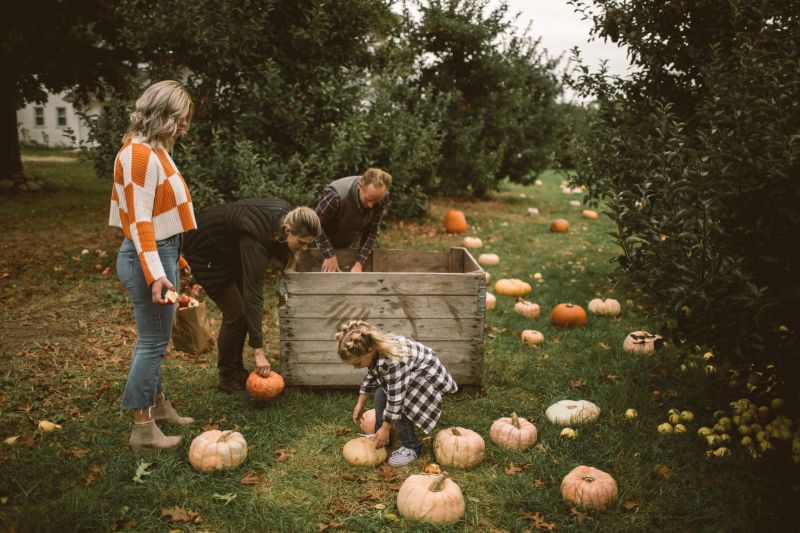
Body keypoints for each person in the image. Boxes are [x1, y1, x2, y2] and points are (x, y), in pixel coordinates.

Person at [110, 80, 197, 454]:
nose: (184, 126)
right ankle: (143, 430)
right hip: (147, 257)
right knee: (151, 343)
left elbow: (157, 214)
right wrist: (156, 274)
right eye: (179, 118)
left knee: (157, 341)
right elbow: (140, 222)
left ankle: (158, 406)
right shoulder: (138, 156)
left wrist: (174, 254)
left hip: (161, 252)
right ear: (160, 114)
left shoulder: (155, 150)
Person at [182, 200, 321, 394]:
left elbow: (281, 249)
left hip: (229, 250)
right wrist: (258, 350)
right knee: (236, 313)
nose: (304, 248)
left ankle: (238, 370)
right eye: (301, 243)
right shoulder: (255, 239)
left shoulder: (290, 217)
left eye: (308, 244)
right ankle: (227, 377)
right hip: (205, 251)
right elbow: (253, 295)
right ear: (288, 230)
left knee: (243, 312)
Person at [336, 319, 458, 467]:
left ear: (369, 350)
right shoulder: (374, 351)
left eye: (358, 363)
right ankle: (381, 437)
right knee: (380, 393)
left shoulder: (394, 360)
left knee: (400, 405)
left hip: (426, 378)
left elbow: (396, 399)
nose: (356, 368)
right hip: (407, 377)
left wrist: (387, 427)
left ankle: (412, 447)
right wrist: (360, 403)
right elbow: (371, 376)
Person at [315, 168, 391, 272]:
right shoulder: (336, 197)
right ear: (360, 185)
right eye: (368, 199)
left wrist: (359, 263)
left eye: (376, 201)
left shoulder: (382, 197)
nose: (371, 205)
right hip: (320, 241)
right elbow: (315, 224)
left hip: (347, 241)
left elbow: (371, 232)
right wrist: (329, 255)